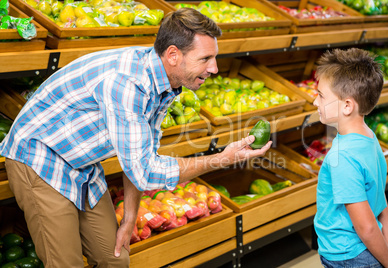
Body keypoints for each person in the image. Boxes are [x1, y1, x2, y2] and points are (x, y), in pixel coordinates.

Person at [0, 8, 272, 268]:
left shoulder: (165, 81)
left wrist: (130, 217)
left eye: (214, 58)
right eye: (205, 59)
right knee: (65, 264)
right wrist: (223, 159)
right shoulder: (128, 84)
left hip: (80, 164)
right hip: (39, 157)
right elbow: (146, 172)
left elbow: (142, 157)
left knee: (115, 258)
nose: (214, 69)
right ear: (173, 54)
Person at [313, 48, 388, 268]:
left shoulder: (342, 157)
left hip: (348, 256)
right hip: (369, 252)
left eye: (321, 95)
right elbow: (381, 209)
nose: (315, 101)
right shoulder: (370, 138)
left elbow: (366, 228)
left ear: (347, 106)